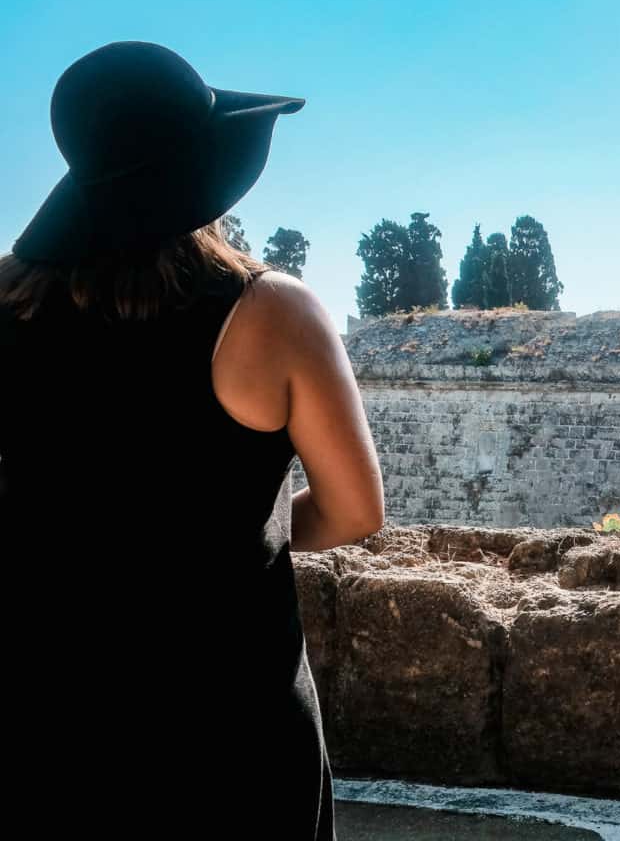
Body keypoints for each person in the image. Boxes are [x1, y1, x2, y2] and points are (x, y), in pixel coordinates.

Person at [0, 41, 384, 838]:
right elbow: (353, 512)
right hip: (228, 724)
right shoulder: (272, 311)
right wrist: (243, 526)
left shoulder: (6, 301)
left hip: (40, 718)